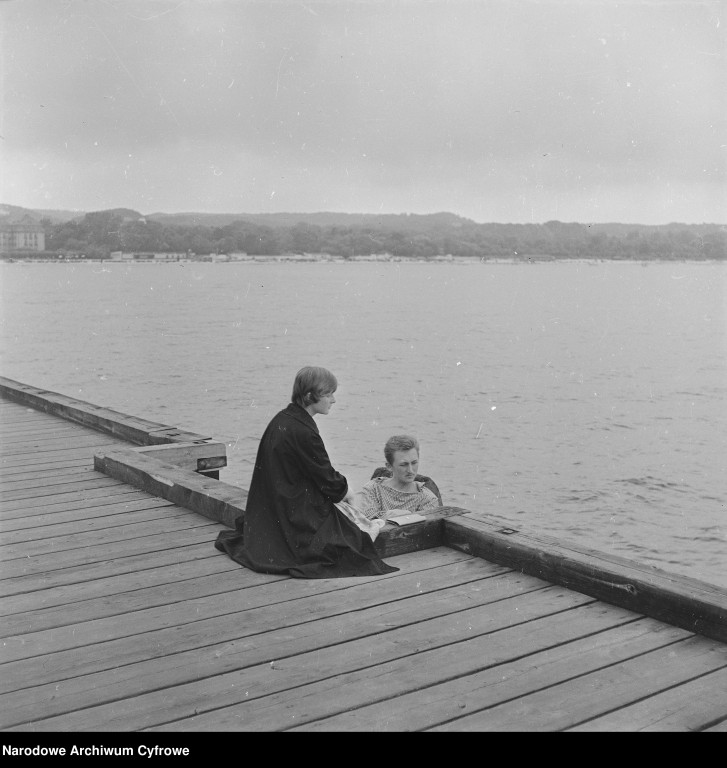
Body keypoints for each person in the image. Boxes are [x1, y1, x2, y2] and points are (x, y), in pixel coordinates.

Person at [214, 366, 398, 578]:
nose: (333, 400)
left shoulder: (282, 419)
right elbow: (328, 479)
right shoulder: (304, 432)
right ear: (311, 396)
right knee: (352, 538)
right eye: (329, 394)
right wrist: (347, 492)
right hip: (293, 514)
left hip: (274, 507)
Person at [356, 434, 441, 520]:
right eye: (404, 465)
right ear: (389, 466)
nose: (410, 470)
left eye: (414, 463)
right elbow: (366, 522)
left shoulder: (428, 499)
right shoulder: (373, 489)